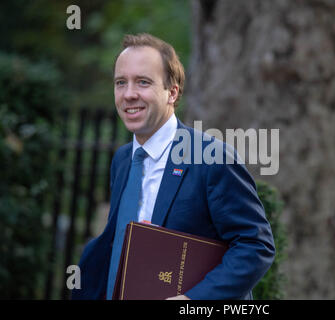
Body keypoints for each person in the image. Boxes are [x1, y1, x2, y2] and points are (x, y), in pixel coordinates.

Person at [71, 33, 275, 300]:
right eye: (121, 83)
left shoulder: (212, 158)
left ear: (172, 92)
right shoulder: (123, 160)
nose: (129, 94)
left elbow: (255, 245)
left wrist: (192, 301)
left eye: (143, 82)